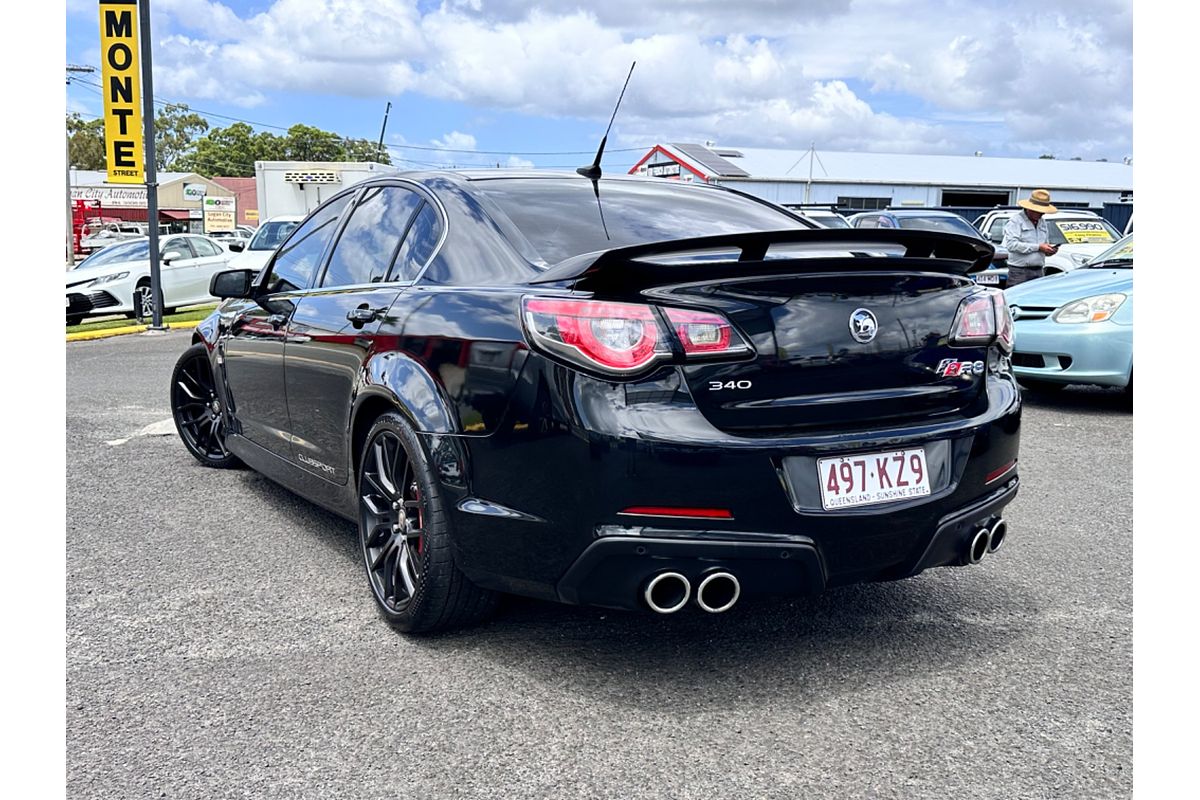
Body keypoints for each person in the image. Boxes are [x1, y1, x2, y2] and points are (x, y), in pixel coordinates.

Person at [1002, 189, 1059, 286]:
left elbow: (1044, 244)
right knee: (1017, 298)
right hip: (1019, 272)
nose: (1042, 214)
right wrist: (1039, 247)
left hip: (1039, 270)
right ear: (1030, 209)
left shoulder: (1042, 222)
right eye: (1040, 211)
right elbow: (1011, 245)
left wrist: (1049, 250)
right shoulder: (1016, 221)